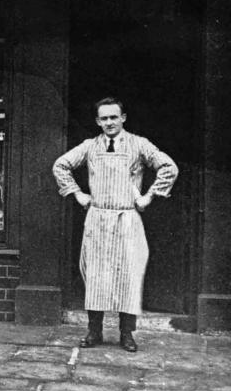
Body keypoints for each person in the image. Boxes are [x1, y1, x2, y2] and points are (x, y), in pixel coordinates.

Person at [52, 97, 178, 352]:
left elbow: (168, 167)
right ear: (98, 121)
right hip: (97, 218)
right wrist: (78, 193)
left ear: (123, 118)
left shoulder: (139, 144)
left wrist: (148, 197)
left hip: (127, 219)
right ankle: (93, 332)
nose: (109, 122)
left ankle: (126, 334)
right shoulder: (89, 146)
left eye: (114, 117)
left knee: (128, 276)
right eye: (104, 118)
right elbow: (61, 165)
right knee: (96, 275)